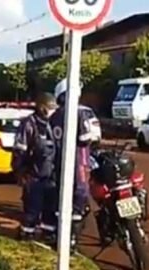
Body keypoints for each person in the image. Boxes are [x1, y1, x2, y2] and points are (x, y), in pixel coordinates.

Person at [47, 79, 95, 245]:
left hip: (59, 164)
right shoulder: (77, 113)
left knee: (62, 200)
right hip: (78, 162)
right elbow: (85, 139)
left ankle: (64, 236)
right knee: (79, 199)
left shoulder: (53, 117)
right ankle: (73, 238)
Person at [12, 92, 58, 239]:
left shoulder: (56, 123)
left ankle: (48, 234)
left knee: (50, 209)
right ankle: (27, 234)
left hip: (52, 175)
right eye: (49, 107)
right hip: (33, 175)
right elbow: (19, 150)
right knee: (32, 208)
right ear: (41, 107)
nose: (52, 110)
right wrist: (20, 171)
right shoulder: (29, 124)